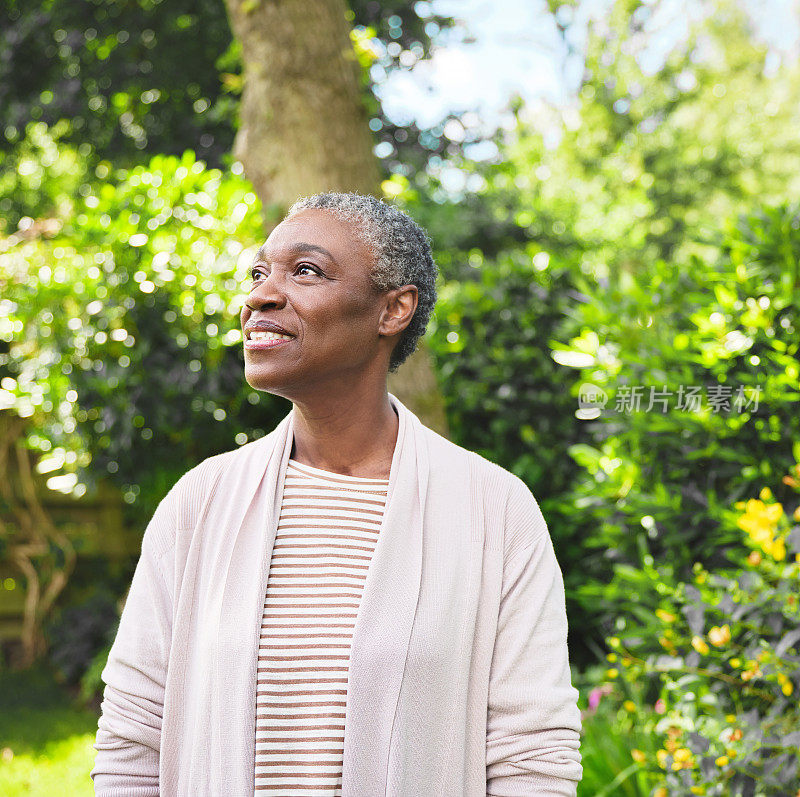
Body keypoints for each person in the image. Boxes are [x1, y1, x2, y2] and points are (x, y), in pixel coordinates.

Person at [90, 192, 583, 797]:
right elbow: (134, 737)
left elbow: (533, 753)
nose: (260, 296)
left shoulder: (494, 512)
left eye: (306, 271)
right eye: (258, 272)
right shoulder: (201, 505)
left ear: (393, 309)